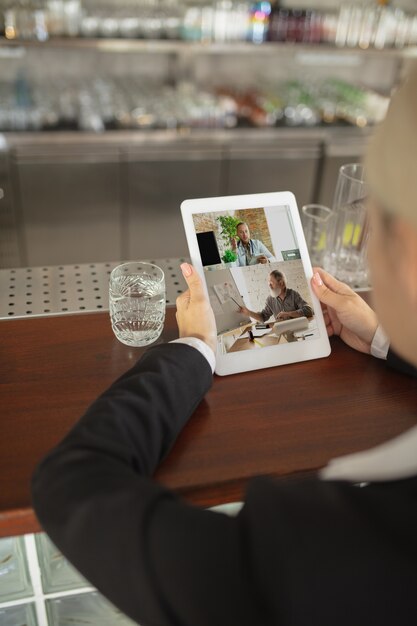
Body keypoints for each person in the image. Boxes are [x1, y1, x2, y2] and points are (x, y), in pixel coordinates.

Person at [32, 66, 417, 626]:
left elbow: (72, 480)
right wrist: (386, 340)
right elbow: (264, 312)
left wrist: (192, 350)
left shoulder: (330, 555)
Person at [238, 269, 313, 322]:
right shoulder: (270, 300)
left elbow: (309, 310)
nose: (269, 286)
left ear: (281, 283)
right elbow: (263, 317)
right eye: (269, 284)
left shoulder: (293, 294)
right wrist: (248, 312)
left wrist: (288, 314)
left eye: (271, 283)